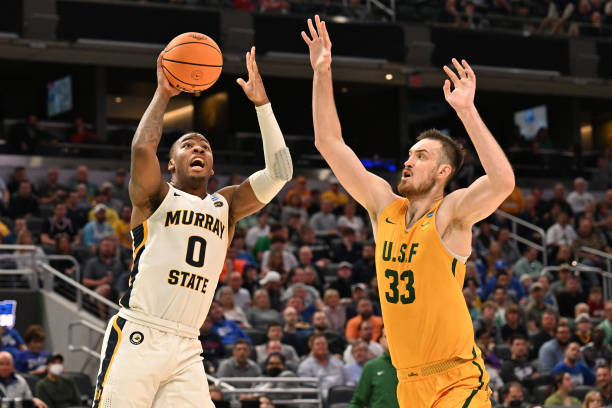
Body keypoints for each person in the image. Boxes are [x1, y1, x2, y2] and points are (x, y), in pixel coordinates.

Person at [303, 14, 515, 406]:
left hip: (457, 378)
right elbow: (329, 142)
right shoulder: (384, 205)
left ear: (443, 171)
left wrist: (467, 111)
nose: (409, 161)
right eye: (409, 155)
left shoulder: (452, 213)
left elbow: (502, 182)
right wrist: (322, 71)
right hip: (407, 384)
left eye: (421, 156)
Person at [92, 46, 292, 408]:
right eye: (188, 145)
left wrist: (263, 105)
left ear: (212, 166)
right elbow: (141, 150)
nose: (198, 147)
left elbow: (280, 172)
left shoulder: (226, 205)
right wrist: (163, 93)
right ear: (171, 163)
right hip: (141, 331)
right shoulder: (155, 195)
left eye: (205, 146)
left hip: (187, 345)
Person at [349, 328, 399, 408]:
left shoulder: (411, 366)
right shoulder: (371, 367)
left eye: (394, 336)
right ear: (381, 341)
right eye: (387, 336)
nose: (391, 339)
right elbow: (357, 402)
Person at [297, 334, 346, 400]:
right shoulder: (305, 366)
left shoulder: (338, 362)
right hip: (319, 399)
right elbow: (308, 387)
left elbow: (347, 379)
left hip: (341, 394)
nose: (321, 346)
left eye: (323, 344)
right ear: (312, 348)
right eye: (318, 344)